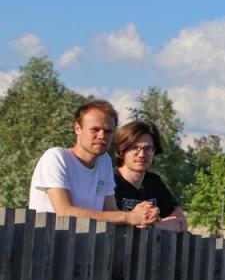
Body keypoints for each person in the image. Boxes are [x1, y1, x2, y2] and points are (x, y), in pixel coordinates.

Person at [28, 99, 157, 226]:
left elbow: (110, 211)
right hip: (48, 243)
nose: (101, 136)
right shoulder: (56, 157)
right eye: (95, 129)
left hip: (86, 244)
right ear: (77, 128)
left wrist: (144, 216)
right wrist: (129, 217)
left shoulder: (104, 161)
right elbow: (64, 212)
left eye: (108, 131)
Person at [113, 120, 188, 233]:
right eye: (134, 148)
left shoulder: (154, 182)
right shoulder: (111, 180)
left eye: (148, 148)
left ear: (154, 151)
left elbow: (181, 222)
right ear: (121, 151)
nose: (142, 154)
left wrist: (153, 225)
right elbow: (110, 220)